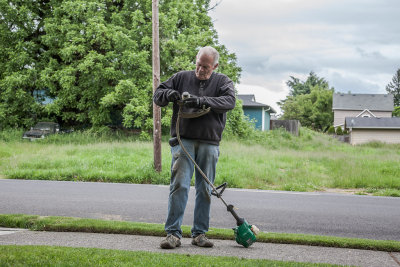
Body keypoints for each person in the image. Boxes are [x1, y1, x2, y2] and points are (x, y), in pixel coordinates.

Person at [153, 46, 236, 249]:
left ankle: (199, 234)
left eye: (206, 67)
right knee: (179, 185)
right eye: (198, 65)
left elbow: (230, 101)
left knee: (205, 189)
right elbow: (158, 95)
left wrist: (201, 101)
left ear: (215, 66)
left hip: (209, 142)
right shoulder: (181, 77)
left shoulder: (222, 81)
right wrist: (170, 94)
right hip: (183, 141)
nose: (200, 70)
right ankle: (173, 234)